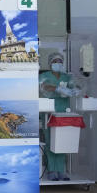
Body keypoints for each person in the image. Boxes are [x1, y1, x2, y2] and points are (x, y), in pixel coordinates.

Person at [39, 51, 77, 181]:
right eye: (55, 61)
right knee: (51, 142)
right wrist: (57, 88)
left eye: (60, 61)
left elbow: (75, 86)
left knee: (63, 142)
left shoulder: (67, 77)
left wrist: (74, 89)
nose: (58, 63)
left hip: (63, 112)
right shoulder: (44, 75)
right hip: (49, 113)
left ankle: (62, 171)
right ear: (50, 63)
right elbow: (43, 86)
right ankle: (52, 170)